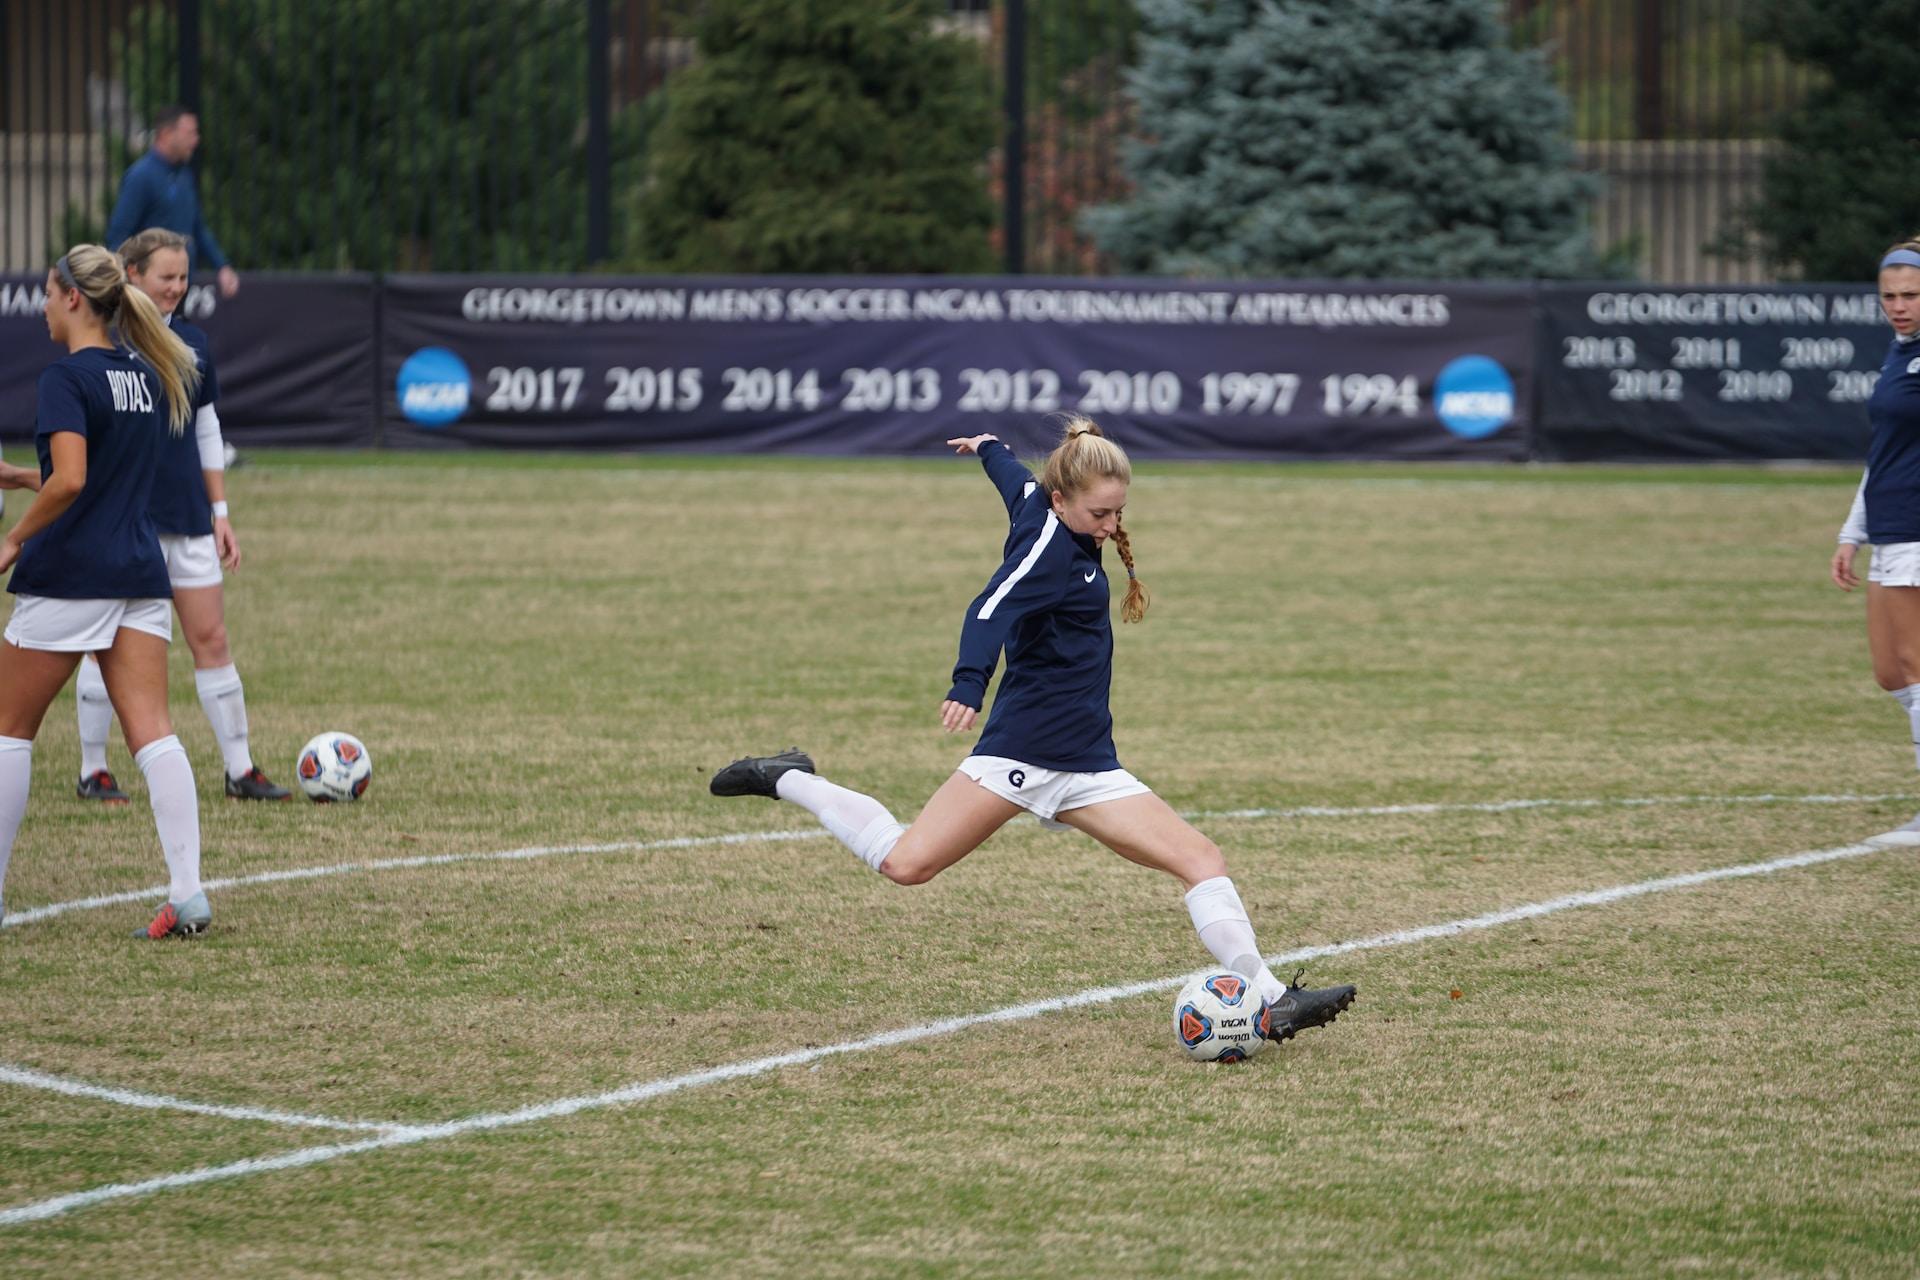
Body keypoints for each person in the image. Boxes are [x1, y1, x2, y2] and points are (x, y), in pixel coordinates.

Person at [711, 417, 1356, 1044]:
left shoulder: (1043, 508)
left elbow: (1013, 481)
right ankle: (788, 776)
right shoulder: (1048, 551)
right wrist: (968, 683)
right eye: (1099, 515)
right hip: (1019, 756)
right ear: (1061, 500)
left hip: (1089, 767)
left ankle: (1272, 1000)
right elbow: (988, 608)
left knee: (1201, 860)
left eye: (1119, 513)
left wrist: (990, 447)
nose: (1111, 527)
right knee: (906, 864)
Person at [0, 244, 210, 937]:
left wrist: (13, 539)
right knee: (153, 733)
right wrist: (28, 477)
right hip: (138, 574)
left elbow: (74, 480)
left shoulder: (66, 377)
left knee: (7, 732)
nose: (40, 304)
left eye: (47, 291)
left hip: (73, 575)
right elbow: (93, 474)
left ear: (72, 300)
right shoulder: (146, 374)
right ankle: (188, 893)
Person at [71, 229, 289, 805]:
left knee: (211, 638)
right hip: (125, 520)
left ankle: (240, 770)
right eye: (165, 276)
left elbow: (207, 428)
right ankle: (94, 770)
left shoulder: (193, 343)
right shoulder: (103, 342)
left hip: (188, 518)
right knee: (103, 642)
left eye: (182, 276)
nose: (176, 287)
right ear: (132, 274)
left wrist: (220, 512)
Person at [1834, 237, 1920, 845]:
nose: (1899, 305)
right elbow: (1882, 454)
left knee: (1916, 663)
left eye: (1912, 294)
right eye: (1889, 295)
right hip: (1888, 524)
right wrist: (1851, 533)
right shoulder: (1899, 354)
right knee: (1890, 672)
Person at [105, 106, 240, 300]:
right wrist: (127, 284)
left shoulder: (184, 176)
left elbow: (197, 228)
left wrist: (222, 266)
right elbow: (118, 236)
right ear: (167, 134)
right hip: (150, 293)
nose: (196, 140)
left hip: (180, 289)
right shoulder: (141, 176)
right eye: (190, 133)